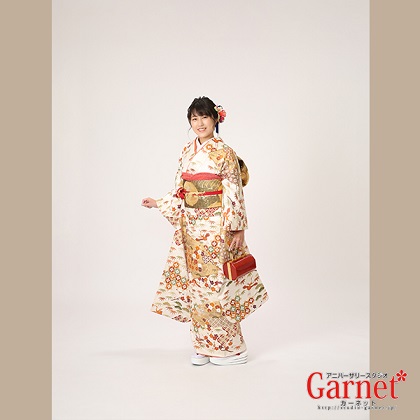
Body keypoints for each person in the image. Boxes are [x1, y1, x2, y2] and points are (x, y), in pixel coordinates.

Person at [142, 96, 268, 366]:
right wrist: (159, 202)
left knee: (218, 284)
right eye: (194, 118)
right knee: (197, 285)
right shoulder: (187, 151)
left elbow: (234, 190)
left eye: (204, 117)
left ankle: (232, 348)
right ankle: (203, 345)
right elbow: (180, 188)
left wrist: (237, 228)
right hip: (191, 226)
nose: (200, 123)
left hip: (216, 226)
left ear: (215, 119)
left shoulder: (225, 152)